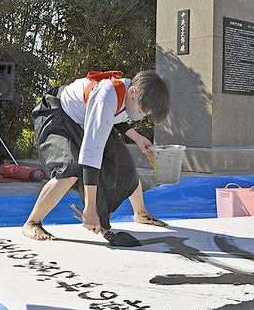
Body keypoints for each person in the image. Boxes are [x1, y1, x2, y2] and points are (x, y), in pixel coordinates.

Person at [23, 70, 170, 245]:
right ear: (132, 93)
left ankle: (141, 213)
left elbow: (118, 116)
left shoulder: (134, 93)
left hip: (85, 119)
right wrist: (90, 208)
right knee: (70, 169)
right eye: (142, 110)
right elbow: (92, 154)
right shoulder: (106, 97)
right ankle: (32, 222)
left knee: (124, 165)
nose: (142, 116)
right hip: (59, 113)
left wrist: (137, 138)